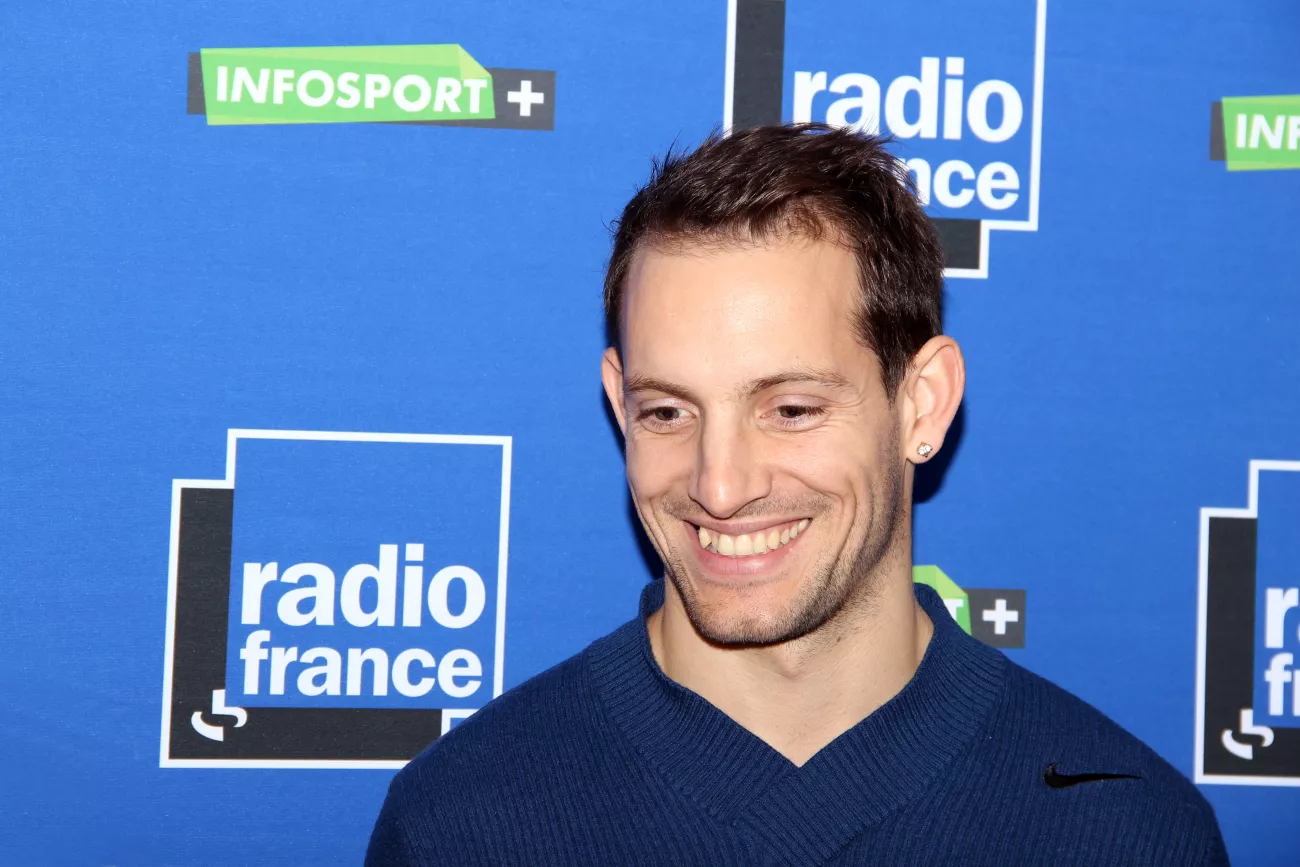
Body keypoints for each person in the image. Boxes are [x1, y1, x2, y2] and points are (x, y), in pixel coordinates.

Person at [366, 123, 1228, 866]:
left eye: (791, 409)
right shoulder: (462, 821)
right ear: (618, 403)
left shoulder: (1128, 831)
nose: (720, 484)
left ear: (922, 404)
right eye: (667, 411)